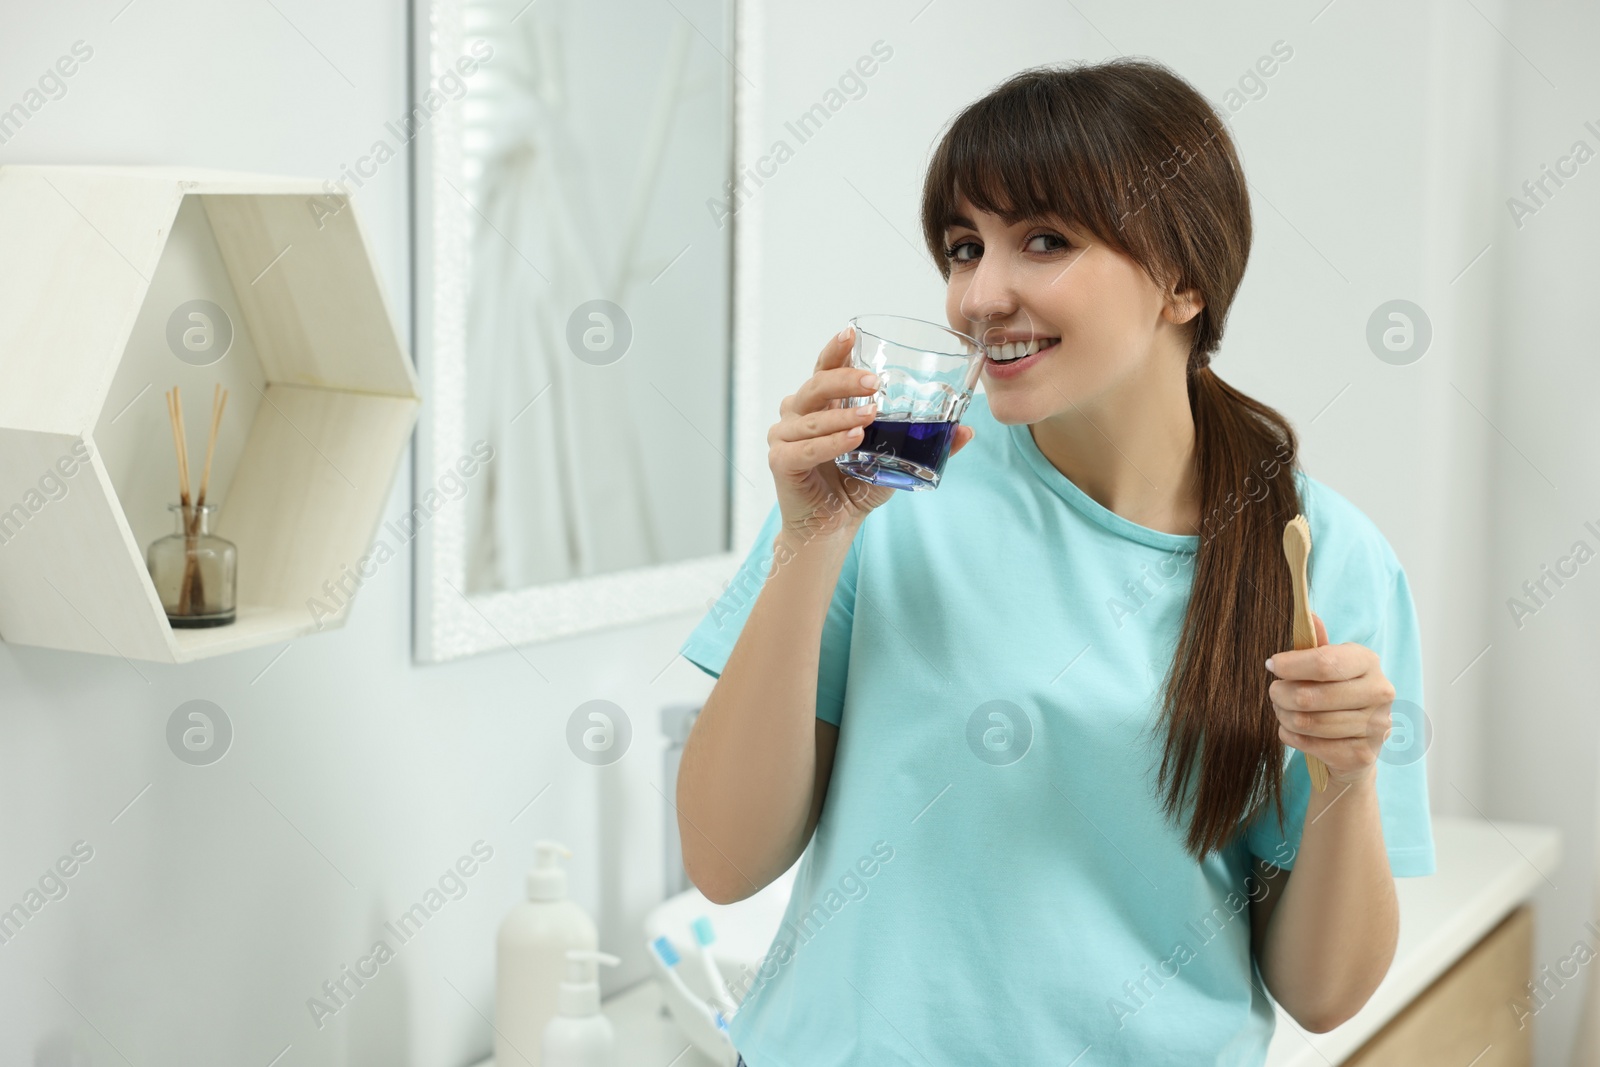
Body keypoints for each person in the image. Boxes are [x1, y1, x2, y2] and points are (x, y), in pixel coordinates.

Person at [674, 56, 1433, 1066]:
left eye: (1043, 240)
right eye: (961, 246)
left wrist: (1344, 774)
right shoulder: (886, 487)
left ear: (1182, 278)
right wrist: (812, 545)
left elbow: (1324, 993)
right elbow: (724, 863)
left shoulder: (1322, 557)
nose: (981, 295)